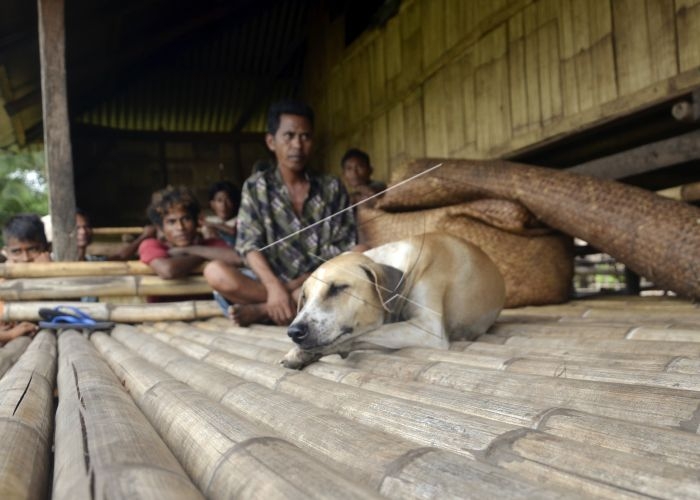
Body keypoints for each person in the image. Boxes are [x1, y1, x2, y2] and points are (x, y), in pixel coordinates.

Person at [203, 100, 358, 327]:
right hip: (268, 284)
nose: (297, 144)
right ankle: (293, 306)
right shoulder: (256, 187)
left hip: (319, 280)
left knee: (358, 256)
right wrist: (276, 287)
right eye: (289, 136)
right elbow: (249, 245)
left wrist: (300, 283)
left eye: (305, 136)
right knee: (214, 271)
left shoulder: (331, 186)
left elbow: (342, 247)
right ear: (271, 141)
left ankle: (264, 311)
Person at [139, 185, 241, 281]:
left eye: (186, 219)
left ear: (197, 222)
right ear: (161, 228)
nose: (180, 227)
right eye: (171, 222)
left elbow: (238, 258)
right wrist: (206, 255)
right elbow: (168, 270)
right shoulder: (151, 245)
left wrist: (188, 249)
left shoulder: (210, 243)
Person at [0, 214, 51, 344]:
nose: (25, 258)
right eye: (16, 251)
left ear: (46, 248)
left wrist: (46, 274)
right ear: (6, 252)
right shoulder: (2, 282)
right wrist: (9, 335)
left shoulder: (59, 275)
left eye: (32, 249)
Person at [200, 181, 240, 246]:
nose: (224, 205)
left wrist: (213, 224)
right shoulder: (209, 219)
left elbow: (233, 231)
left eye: (228, 200)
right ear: (212, 204)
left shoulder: (240, 219)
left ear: (235, 203)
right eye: (219, 200)